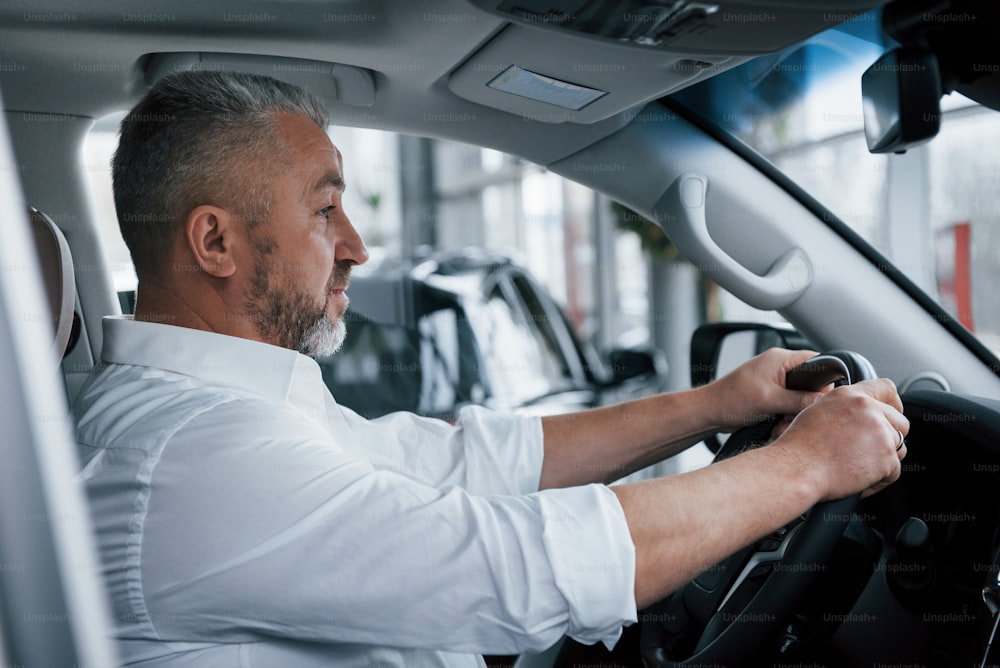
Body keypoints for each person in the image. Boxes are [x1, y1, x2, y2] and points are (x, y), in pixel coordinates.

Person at [73, 70, 908, 667]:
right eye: (325, 210)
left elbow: (473, 462)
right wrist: (804, 466)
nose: (357, 247)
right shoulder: (195, 458)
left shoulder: (221, 408)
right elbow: (525, 567)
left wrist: (719, 404)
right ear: (214, 241)